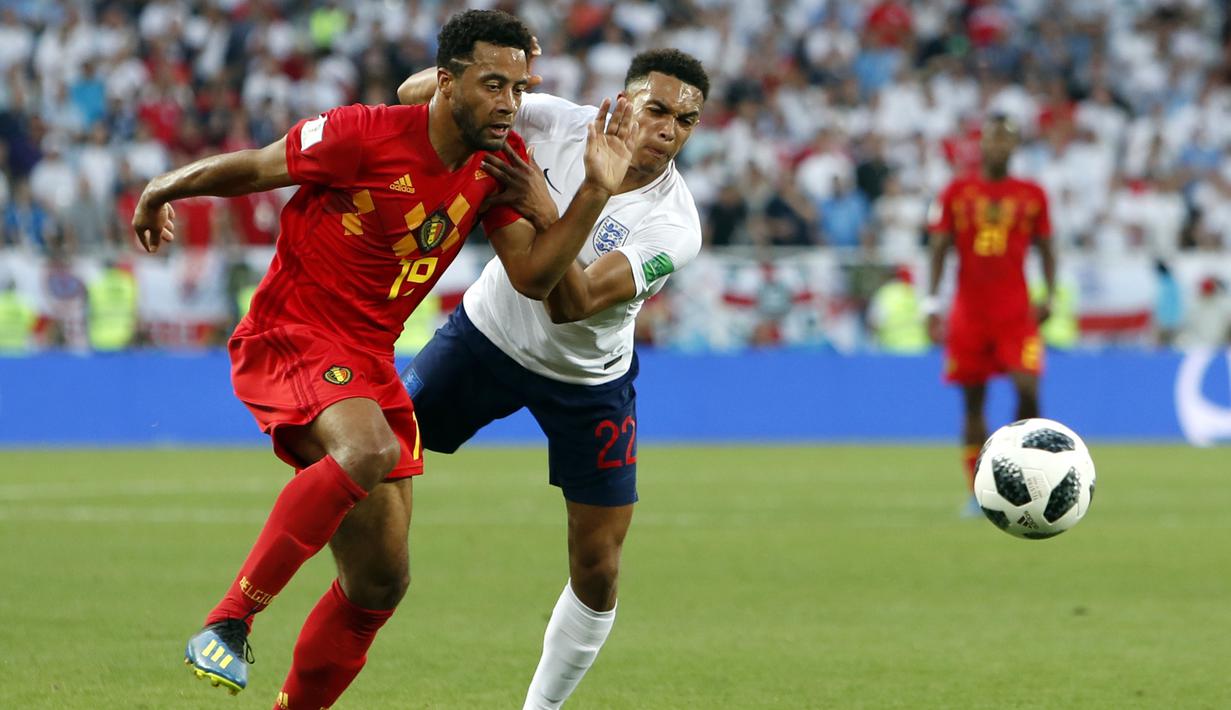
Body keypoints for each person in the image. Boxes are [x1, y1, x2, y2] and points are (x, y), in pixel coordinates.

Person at [130, 10, 637, 709]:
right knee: (364, 449)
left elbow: (534, 277)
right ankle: (230, 618)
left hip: (368, 359)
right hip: (295, 334)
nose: (509, 104)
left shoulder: (498, 165)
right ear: (446, 81)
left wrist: (592, 193)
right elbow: (255, 167)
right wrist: (165, 187)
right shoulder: (358, 134)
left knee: (379, 584)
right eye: (493, 85)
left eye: (520, 89)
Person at [396, 47, 708, 710]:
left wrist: (545, 205)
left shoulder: (675, 225)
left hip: (586, 379)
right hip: (486, 337)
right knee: (367, 450)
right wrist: (482, 83)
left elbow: (571, 304)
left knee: (598, 568)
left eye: (685, 121)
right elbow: (410, 92)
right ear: (621, 102)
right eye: (656, 108)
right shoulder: (556, 122)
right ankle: (317, 592)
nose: (668, 129)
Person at [924, 114, 1057, 515]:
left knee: (1028, 388)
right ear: (982, 144)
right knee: (972, 402)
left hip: (1015, 309)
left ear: (1015, 148)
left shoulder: (1032, 194)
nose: (999, 146)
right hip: (970, 309)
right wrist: (932, 305)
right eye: (993, 139)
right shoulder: (956, 192)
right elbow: (939, 248)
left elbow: (1047, 247)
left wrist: (1049, 293)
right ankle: (978, 490)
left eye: (1007, 140)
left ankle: (1022, 469)